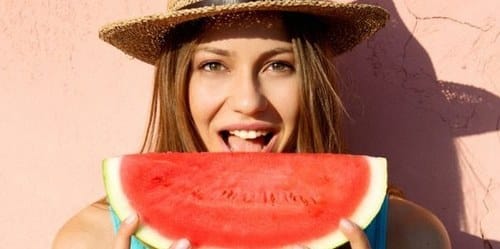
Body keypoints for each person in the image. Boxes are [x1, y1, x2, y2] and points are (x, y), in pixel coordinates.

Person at [53, 0, 451, 248]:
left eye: (279, 65)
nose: (248, 102)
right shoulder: (91, 241)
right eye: (213, 65)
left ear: (313, 80)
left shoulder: (410, 237)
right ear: (179, 82)